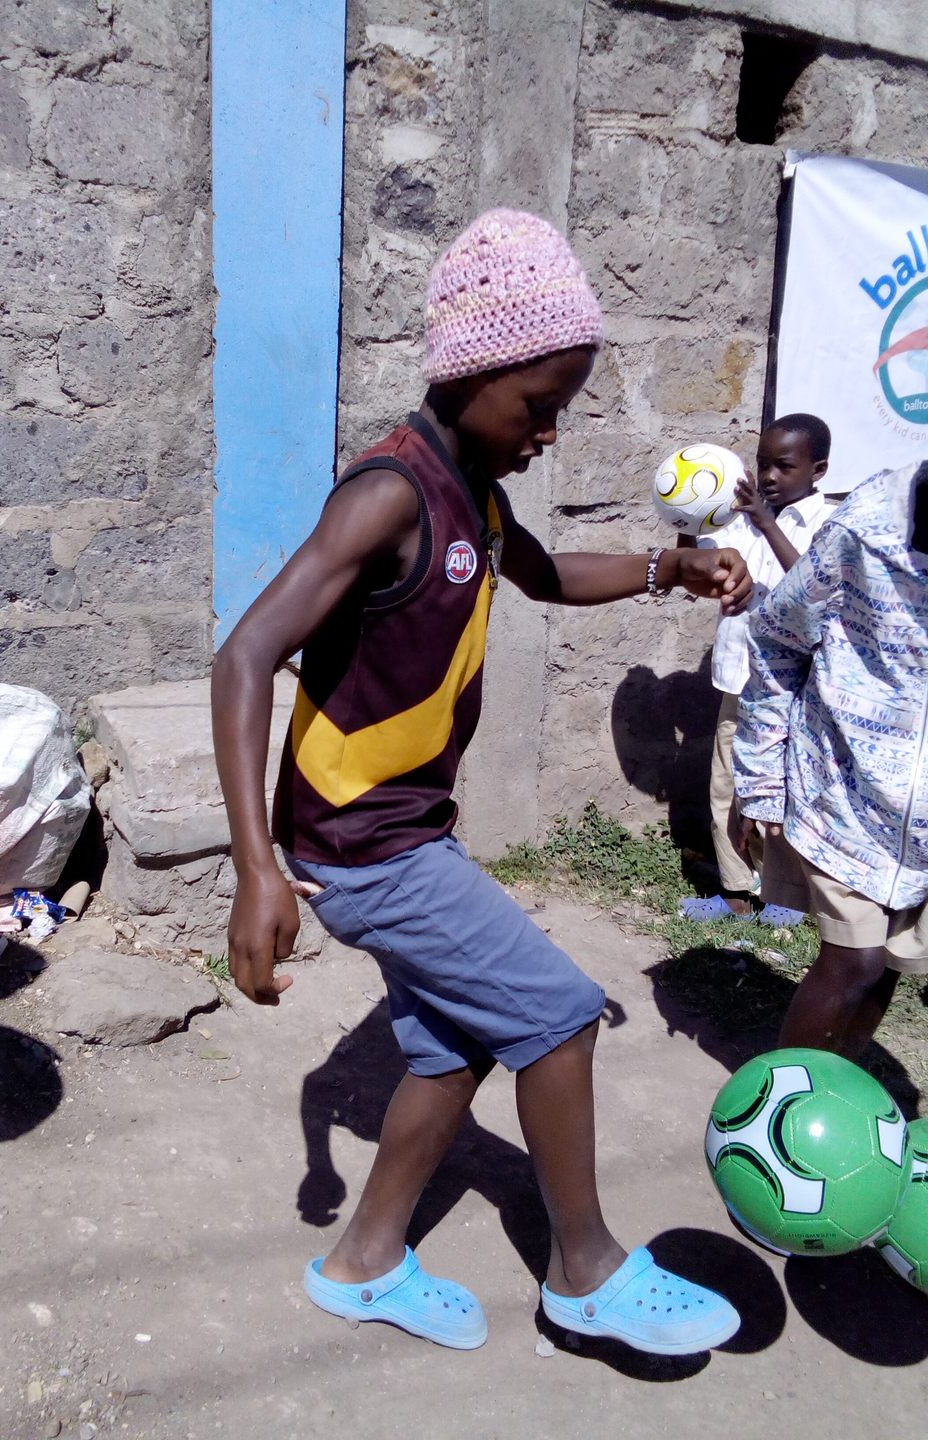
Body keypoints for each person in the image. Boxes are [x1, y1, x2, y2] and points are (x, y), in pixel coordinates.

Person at [211, 209, 748, 1355]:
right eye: (538, 403)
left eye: (563, 408)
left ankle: (362, 1262)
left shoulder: (478, 496)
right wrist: (254, 868)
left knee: (450, 1047)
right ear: (470, 372)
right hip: (366, 846)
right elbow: (245, 654)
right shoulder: (390, 494)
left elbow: (545, 574)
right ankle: (586, 1273)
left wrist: (669, 566)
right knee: (557, 1020)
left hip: (405, 832)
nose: (549, 430)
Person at [732, 457, 928, 1056]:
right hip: (845, 790)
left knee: (888, 964)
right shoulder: (863, 531)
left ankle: (840, 1087)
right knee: (854, 961)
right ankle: (787, 1096)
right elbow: (776, 640)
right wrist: (761, 781)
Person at [677, 414, 831, 924]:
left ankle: (784, 896)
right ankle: (736, 891)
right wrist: (687, 521)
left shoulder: (827, 525)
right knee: (726, 784)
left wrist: (767, 522)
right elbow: (698, 571)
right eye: (762, 464)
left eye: (783, 466)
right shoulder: (739, 520)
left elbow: (810, 588)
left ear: (818, 470)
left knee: (782, 791)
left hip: (794, 690)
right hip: (740, 681)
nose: (768, 476)